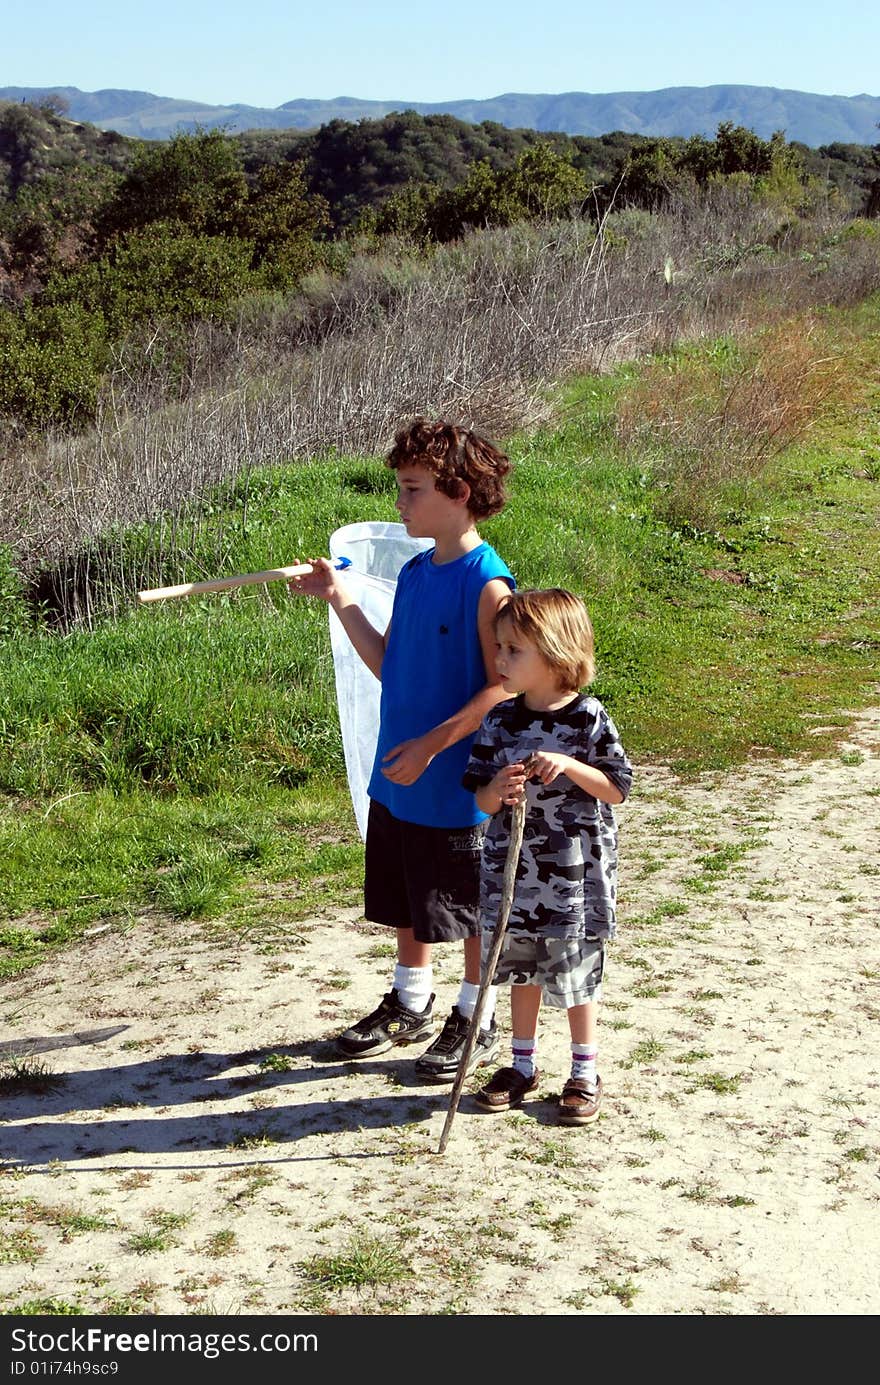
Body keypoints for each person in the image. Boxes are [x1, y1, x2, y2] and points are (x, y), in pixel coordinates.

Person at [288, 418, 515, 1081]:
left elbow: (504, 687)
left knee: (466, 907)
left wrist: (432, 745)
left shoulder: (488, 584)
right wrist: (338, 597)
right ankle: (410, 1003)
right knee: (408, 899)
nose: (400, 503)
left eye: (412, 489)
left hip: (455, 787)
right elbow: (388, 663)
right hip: (400, 778)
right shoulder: (417, 572)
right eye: (400, 488)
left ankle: (479, 1013)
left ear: (461, 491)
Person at [461, 588, 633, 1124]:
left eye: (514, 650)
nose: (500, 659)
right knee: (520, 971)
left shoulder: (588, 718)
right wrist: (499, 788)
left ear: (556, 653)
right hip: (512, 875)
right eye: (499, 647)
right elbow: (479, 796)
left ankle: (584, 1071)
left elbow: (617, 788)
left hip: (572, 879)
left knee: (576, 975)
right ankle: (522, 1063)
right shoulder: (500, 720)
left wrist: (569, 765)